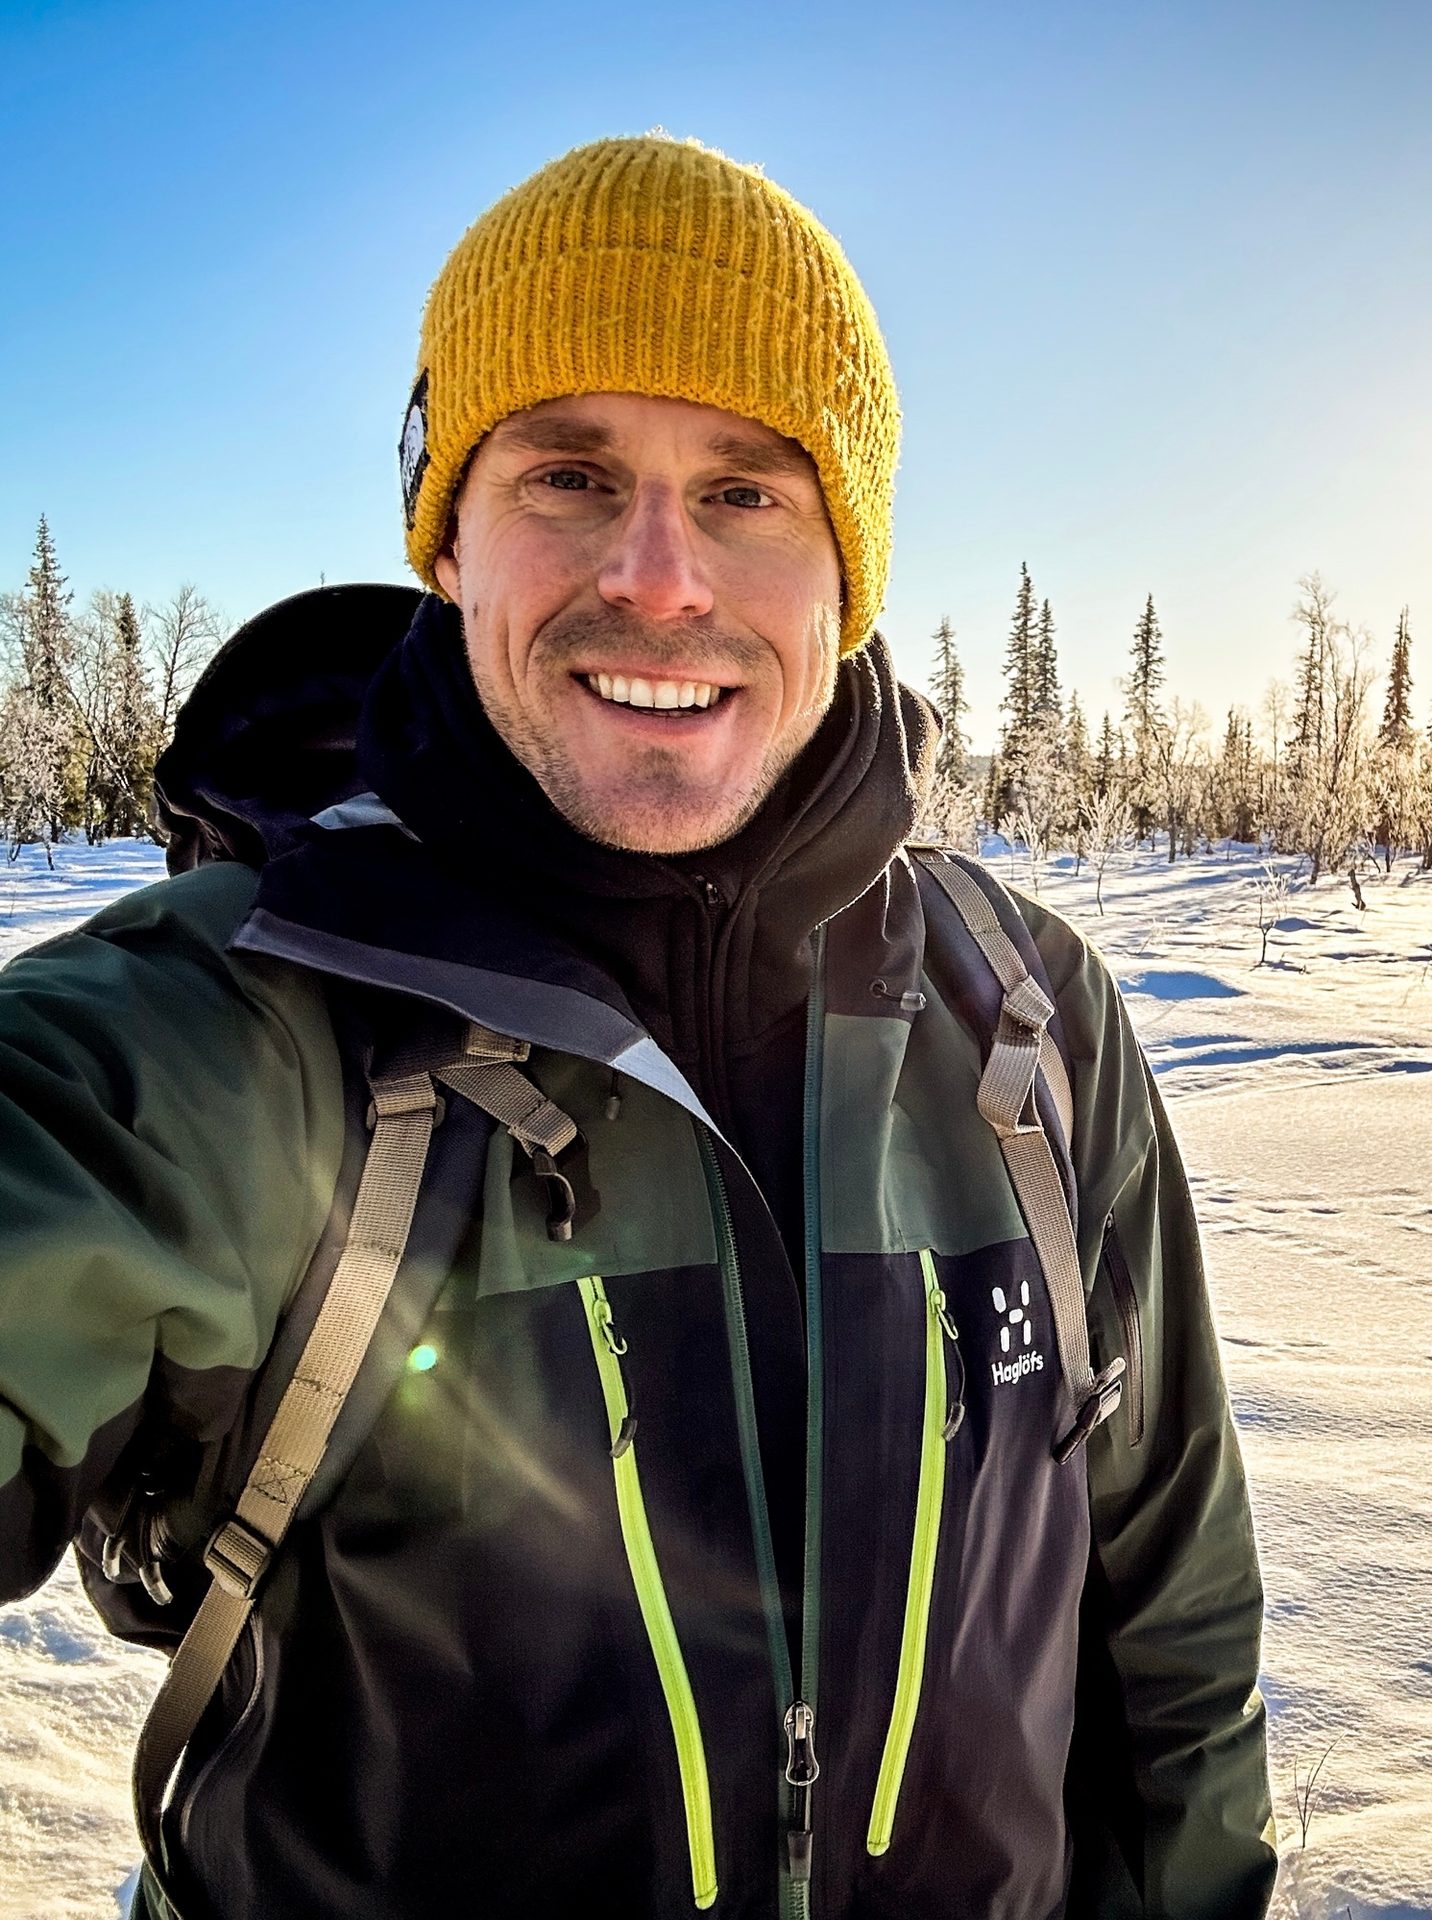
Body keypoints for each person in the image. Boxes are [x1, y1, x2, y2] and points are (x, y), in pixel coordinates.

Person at [0, 135, 1276, 1919]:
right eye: (573, 476)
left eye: (749, 491)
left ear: (852, 569)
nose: (661, 577)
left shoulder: (1031, 1021)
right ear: (449, 539)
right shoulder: (241, 1024)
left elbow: (1167, 1623)